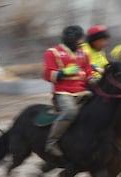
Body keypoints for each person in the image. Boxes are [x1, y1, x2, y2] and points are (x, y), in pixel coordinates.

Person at [43, 25, 94, 157]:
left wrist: (93, 79)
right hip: (63, 93)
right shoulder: (52, 52)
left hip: (82, 91)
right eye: (79, 39)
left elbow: (88, 72)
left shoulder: (84, 53)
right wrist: (63, 72)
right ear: (71, 39)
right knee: (70, 111)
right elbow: (48, 75)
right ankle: (51, 142)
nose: (82, 42)